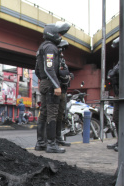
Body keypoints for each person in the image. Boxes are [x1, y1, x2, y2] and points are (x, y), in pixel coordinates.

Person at [34, 21, 71, 153]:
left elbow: (38, 70)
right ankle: (51, 144)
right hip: (50, 84)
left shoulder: (42, 48)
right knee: (52, 114)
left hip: (44, 83)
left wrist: (44, 81)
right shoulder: (50, 48)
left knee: (43, 114)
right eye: (59, 34)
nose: (60, 36)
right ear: (53, 34)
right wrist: (56, 85)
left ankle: (40, 143)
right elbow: (49, 68)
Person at [55, 39, 72, 147]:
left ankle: (58, 138)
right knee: (53, 116)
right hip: (56, 90)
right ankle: (51, 140)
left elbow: (65, 72)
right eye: (61, 49)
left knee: (60, 116)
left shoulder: (62, 60)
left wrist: (69, 76)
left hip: (63, 91)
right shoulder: (53, 59)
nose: (62, 52)